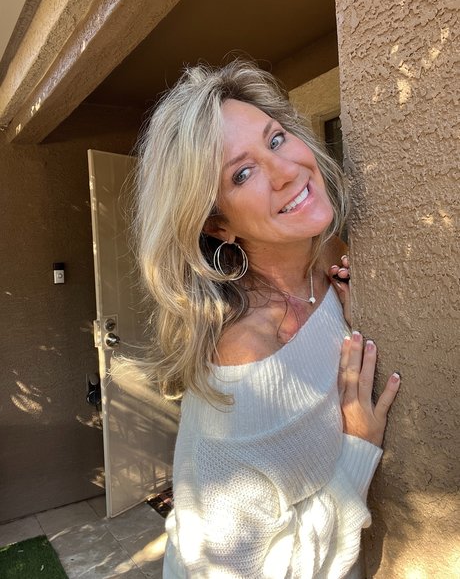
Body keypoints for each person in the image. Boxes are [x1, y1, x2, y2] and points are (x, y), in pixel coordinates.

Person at [134, 60, 400, 578]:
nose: (286, 172)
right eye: (243, 173)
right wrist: (357, 448)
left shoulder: (329, 256)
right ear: (217, 225)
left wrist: (358, 314)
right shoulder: (244, 362)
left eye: (275, 139)